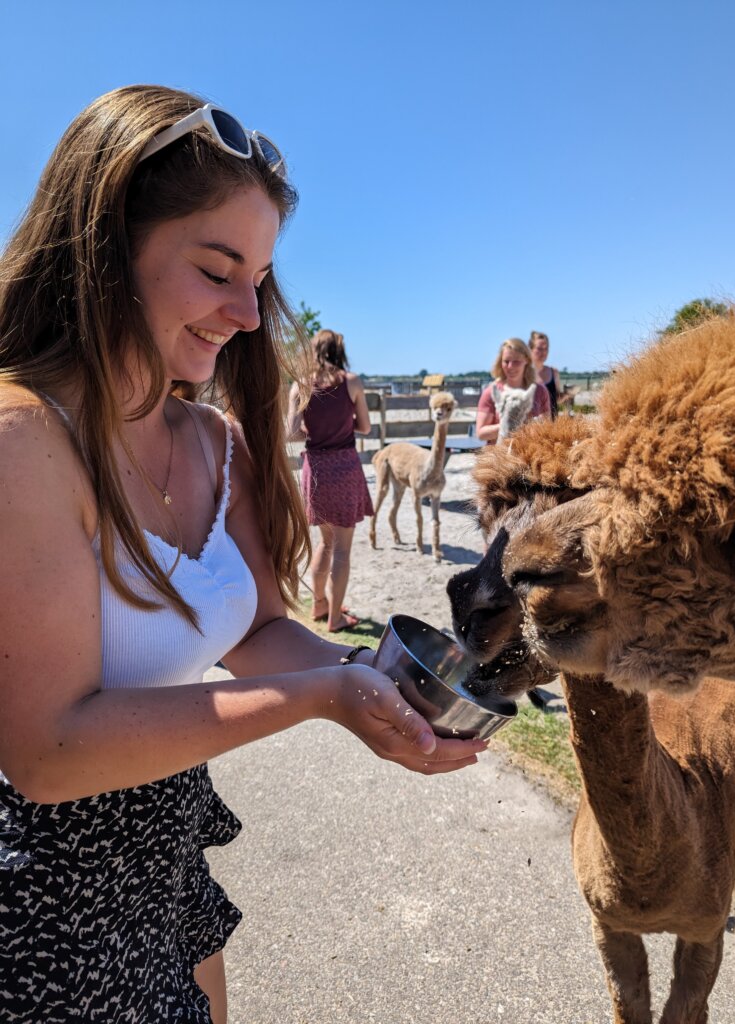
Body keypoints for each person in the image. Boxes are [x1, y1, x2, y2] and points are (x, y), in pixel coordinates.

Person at [0, 85, 486, 1024]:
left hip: (167, 844)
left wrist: (385, 682)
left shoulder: (216, 443)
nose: (249, 314)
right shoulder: (22, 438)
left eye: (259, 278)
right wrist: (320, 697)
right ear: (105, 249)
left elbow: (260, 626)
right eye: (218, 270)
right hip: (39, 896)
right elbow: (47, 753)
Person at [287, 329, 373, 632]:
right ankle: (335, 618)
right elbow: (365, 427)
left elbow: (291, 432)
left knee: (324, 542)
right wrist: (341, 425)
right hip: (345, 467)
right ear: (340, 350)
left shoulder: (300, 385)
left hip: (316, 468)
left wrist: (315, 430)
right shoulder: (351, 382)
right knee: (342, 550)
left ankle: (320, 603)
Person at [475, 337, 550, 443]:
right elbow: (481, 433)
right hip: (499, 455)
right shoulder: (491, 392)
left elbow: (546, 428)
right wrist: (508, 424)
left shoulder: (540, 391)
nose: (510, 366)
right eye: (506, 361)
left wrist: (525, 425)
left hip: (530, 455)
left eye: (516, 362)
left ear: (526, 361)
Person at [528, 330, 562, 419]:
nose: (543, 352)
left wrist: (569, 394)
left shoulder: (554, 372)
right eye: (539, 348)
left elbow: (556, 399)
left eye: (546, 348)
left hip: (552, 427)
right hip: (531, 428)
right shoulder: (524, 374)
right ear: (530, 349)